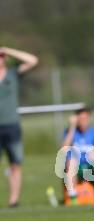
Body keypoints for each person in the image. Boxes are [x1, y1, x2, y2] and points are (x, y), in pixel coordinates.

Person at [0, 46, 38, 207]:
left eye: (1, 56)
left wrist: (7, 50)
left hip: (12, 125)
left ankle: (13, 200)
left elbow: (33, 60)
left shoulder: (13, 74)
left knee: (15, 163)